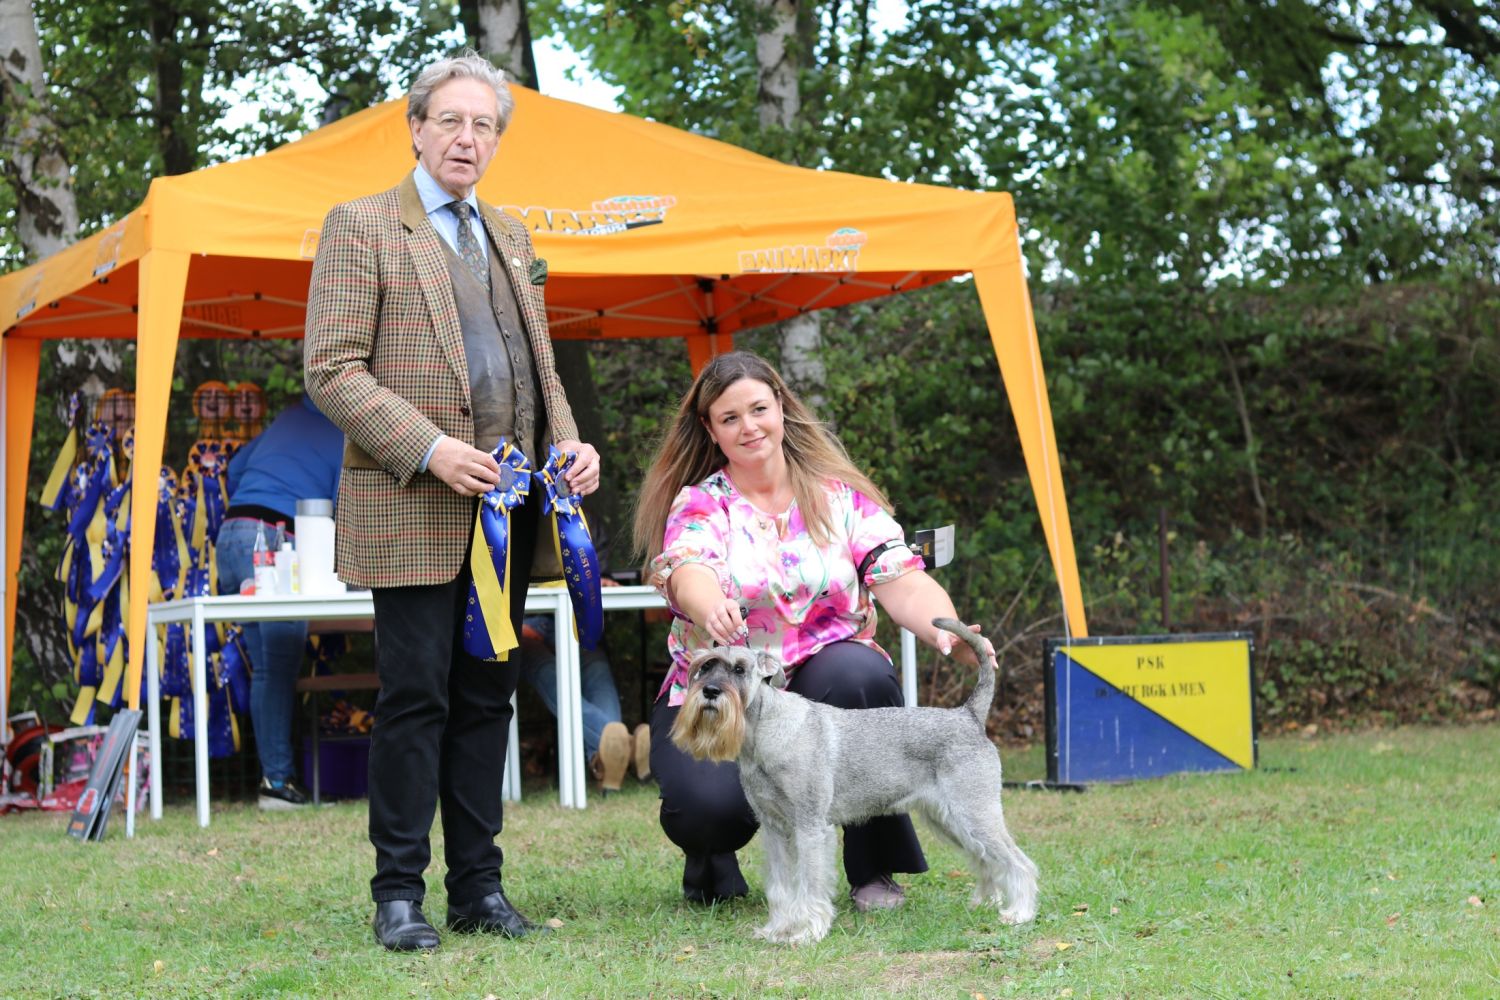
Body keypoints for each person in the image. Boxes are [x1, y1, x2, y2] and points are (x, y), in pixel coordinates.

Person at [303, 51, 600, 953]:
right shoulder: (360, 225)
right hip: (411, 505)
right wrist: (431, 449)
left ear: (496, 140)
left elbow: (538, 369)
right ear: (416, 128)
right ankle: (398, 894)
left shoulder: (511, 234)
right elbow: (331, 370)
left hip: (511, 513)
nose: (468, 139)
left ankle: (478, 888)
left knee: (488, 699)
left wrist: (569, 443)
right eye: (452, 121)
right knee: (415, 701)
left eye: (484, 125)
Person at [632, 350, 990, 910]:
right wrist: (710, 607)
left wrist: (945, 632)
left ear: (780, 406)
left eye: (758, 409)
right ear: (710, 428)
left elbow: (901, 578)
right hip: (729, 686)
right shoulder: (700, 503)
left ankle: (872, 869)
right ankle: (712, 860)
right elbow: (688, 567)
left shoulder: (839, 498)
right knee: (708, 807)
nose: (749, 427)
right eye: (730, 418)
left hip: (823, 683)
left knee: (859, 672)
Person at [215, 393, 343, 810]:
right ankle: (277, 782)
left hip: (231, 534)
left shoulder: (287, 417)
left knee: (265, 667)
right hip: (276, 541)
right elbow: (344, 505)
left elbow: (234, 468)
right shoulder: (345, 432)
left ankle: (275, 776)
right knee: (275, 667)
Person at [517, 580, 649, 792]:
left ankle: (602, 760)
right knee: (548, 672)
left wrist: (598, 578)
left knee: (597, 668)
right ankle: (628, 748)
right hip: (523, 619)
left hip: (574, 618)